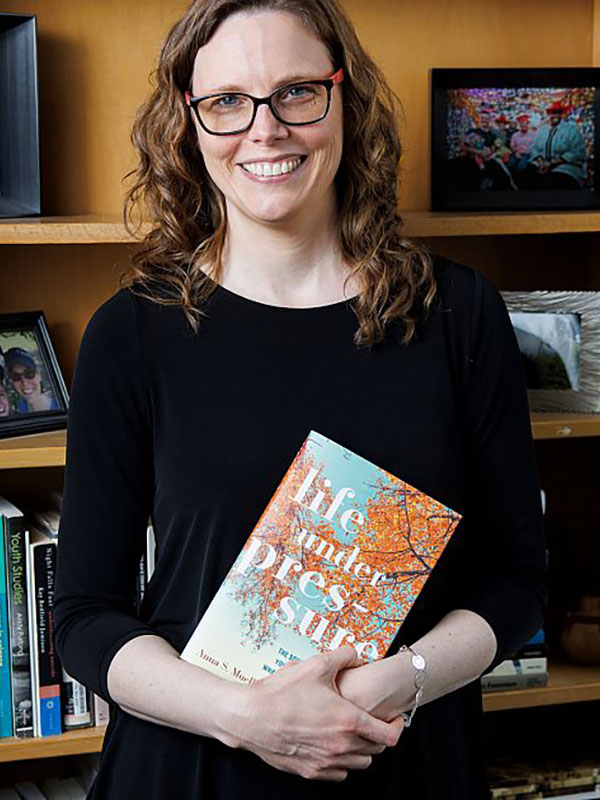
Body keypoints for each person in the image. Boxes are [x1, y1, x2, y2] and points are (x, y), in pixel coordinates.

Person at [53, 1, 547, 798]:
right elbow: (82, 617)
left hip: (403, 756)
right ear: (189, 124)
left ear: (344, 99)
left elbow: (519, 578)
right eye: (227, 102)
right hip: (195, 766)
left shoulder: (458, 314)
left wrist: (397, 682)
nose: (265, 129)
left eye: (296, 92)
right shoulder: (132, 333)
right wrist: (247, 717)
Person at [523, 101, 587, 189]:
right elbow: (534, 147)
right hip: (542, 162)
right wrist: (541, 162)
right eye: (552, 113)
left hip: (564, 164)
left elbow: (577, 151)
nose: (555, 116)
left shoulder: (571, 130)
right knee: (528, 173)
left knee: (555, 180)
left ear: (562, 114)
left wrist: (552, 163)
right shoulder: (543, 129)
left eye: (557, 113)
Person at [5, 347, 59, 413]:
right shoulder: (20, 406)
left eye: (29, 373)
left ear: (39, 375)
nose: (24, 383)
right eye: (16, 376)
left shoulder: (61, 406)